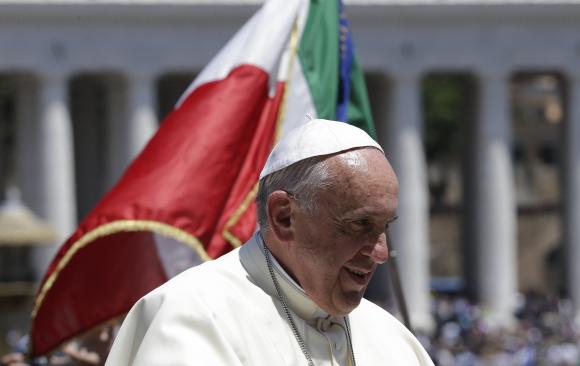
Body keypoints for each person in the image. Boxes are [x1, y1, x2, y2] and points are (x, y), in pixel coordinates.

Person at [105, 119, 434, 365]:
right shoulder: (190, 318)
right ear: (284, 217)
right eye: (360, 224)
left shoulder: (393, 341)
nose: (380, 252)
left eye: (385, 226)